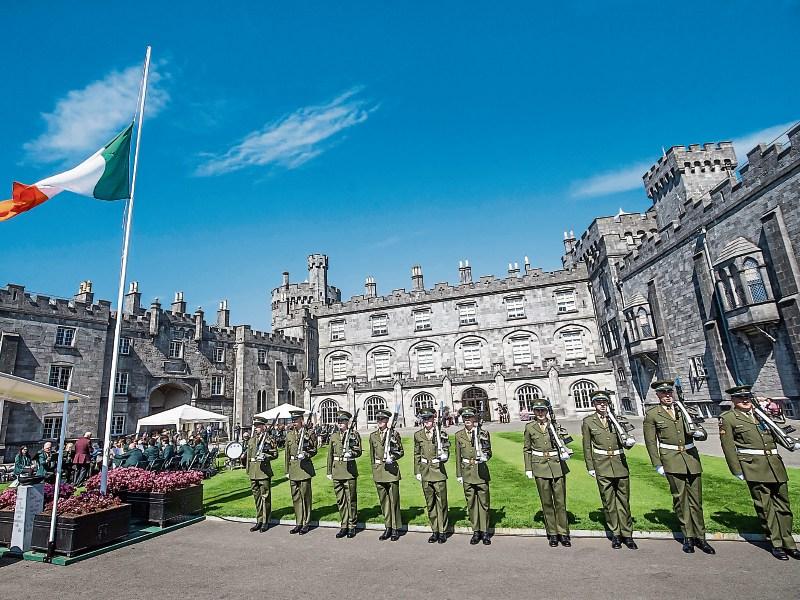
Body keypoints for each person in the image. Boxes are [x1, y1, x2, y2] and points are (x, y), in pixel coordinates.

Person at [719, 385, 800, 560]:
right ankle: (776, 543)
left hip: (774, 464)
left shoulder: (761, 415)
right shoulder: (729, 418)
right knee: (766, 507)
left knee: (784, 506)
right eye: (740, 398)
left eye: (747, 396)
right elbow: (728, 447)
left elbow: (776, 433)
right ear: (733, 400)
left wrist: (792, 443)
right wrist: (737, 469)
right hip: (753, 467)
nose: (745, 400)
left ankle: (789, 542)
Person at [643, 380, 714, 555]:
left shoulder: (685, 410)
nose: (667, 396)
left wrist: (700, 434)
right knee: (680, 499)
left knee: (696, 501)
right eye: (663, 393)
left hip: (691, 458)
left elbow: (701, 431)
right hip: (671, 460)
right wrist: (657, 463)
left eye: (669, 392)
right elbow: (651, 442)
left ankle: (701, 537)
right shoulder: (653, 414)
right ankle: (688, 536)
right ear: (658, 395)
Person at [581, 390, 637, 550]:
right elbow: (587, 446)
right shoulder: (588, 421)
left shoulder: (617, 419)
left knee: (624, 501)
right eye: (599, 403)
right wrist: (590, 466)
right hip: (602, 465)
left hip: (619, 463)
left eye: (604, 402)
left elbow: (627, 439)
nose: (602, 405)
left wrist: (630, 442)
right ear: (594, 405)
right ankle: (616, 534)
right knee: (609, 502)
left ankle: (628, 534)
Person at [524, 399, 571, 547]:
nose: (540, 413)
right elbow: (527, 449)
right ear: (534, 412)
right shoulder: (530, 427)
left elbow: (566, 441)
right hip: (540, 466)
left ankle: (563, 533)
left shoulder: (554, 426)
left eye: (542, 410)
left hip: (557, 465)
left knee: (560, 502)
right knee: (547, 502)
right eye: (537, 411)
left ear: (547, 411)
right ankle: (552, 533)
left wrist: (565, 448)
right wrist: (529, 468)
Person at [454, 407, 492, 545]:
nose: (467, 420)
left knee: (484, 503)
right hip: (467, 472)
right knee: (471, 503)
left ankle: (485, 531)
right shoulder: (459, 435)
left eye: (469, 418)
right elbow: (458, 456)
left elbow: (489, 451)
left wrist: (485, 457)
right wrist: (459, 474)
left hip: (480, 471)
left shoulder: (483, 433)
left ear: (474, 419)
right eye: (465, 418)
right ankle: (476, 531)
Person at [414, 407, 450, 544]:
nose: (426, 421)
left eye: (429, 418)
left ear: (434, 419)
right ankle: (434, 530)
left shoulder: (441, 432)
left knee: (442, 503)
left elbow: (446, 449)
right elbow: (417, 453)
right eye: (424, 419)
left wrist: (444, 456)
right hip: (425, 471)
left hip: (438, 471)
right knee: (430, 504)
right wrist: (417, 471)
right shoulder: (418, 435)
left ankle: (443, 531)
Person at [327, 410, 362, 539]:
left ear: (347, 422)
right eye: (339, 421)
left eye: (342, 421)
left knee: (350, 499)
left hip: (349, 471)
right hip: (337, 471)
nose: (340, 424)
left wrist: (351, 453)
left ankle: (352, 525)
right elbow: (330, 454)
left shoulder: (354, 434)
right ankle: (344, 525)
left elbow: (358, 451)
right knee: (340, 500)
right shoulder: (334, 435)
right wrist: (329, 471)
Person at [369, 408, 403, 541]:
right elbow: (372, 455)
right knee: (384, 501)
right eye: (378, 419)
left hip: (391, 470)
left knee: (393, 501)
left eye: (382, 419)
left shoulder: (393, 433)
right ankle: (387, 526)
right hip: (379, 470)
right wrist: (374, 469)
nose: (379, 422)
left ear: (387, 421)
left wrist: (393, 457)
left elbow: (400, 451)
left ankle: (395, 528)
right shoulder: (373, 435)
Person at [285, 410, 318, 535]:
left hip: (304, 468)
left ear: (301, 420)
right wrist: (287, 470)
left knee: (305, 497)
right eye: (292, 420)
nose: (293, 422)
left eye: (295, 420)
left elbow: (314, 450)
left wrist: (306, 454)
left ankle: (306, 522)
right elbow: (287, 454)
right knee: (296, 497)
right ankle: (298, 522)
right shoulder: (289, 435)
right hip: (293, 468)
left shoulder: (309, 433)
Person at [245, 417, 279, 532]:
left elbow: (275, 453)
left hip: (263, 472)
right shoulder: (251, 440)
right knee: (257, 498)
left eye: (258, 426)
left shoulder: (268, 439)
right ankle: (259, 520)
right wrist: (248, 471)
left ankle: (266, 521)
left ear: (264, 427)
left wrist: (266, 457)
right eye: (255, 426)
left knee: (265, 497)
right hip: (253, 472)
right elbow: (249, 457)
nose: (256, 428)